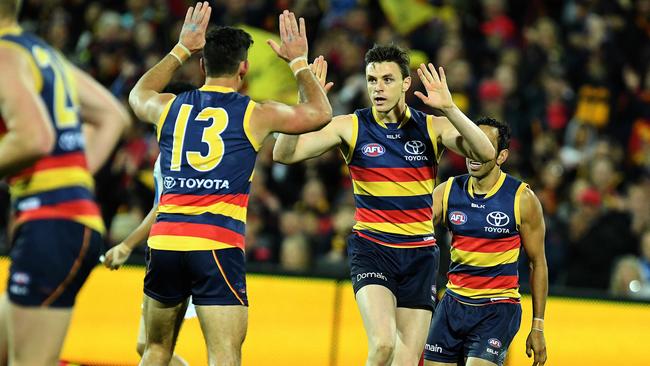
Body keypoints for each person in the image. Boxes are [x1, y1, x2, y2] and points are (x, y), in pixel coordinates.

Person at [127, 3, 332, 365]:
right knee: (224, 355)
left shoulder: (169, 106)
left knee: (156, 350)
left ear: (202, 66)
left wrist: (180, 49)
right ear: (244, 68)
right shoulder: (256, 113)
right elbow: (320, 114)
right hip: (215, 245)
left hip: (165, 241)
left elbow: (137, 95)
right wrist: (298, 62)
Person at [273, 45, 495, 366]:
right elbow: (284, 154)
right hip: (373, 247)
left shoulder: (431, 127)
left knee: (405, 360)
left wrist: (450, 109)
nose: (378, 87)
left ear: (406, 84)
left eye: (388, 79)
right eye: (372, 79)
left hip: (420, 255)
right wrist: (304, 105)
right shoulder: (350, 126)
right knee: (382, 345)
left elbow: (486, 153)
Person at [0, 0, 131, 364]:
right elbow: (111, 116)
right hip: (64, 220)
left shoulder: (3, 57)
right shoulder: (39, 53)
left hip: (51, 226)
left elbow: (33, 138)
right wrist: (71, 180)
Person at [423, 117, 548, 366]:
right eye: (471, 142)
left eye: (484, 145)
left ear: (501, 156)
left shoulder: (522, 199)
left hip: (497, 308)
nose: (475, 152)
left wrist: (538, 326)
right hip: (453, 304)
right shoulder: (447, 192)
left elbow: (538, 263)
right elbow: (411, 229)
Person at [103, 82, 196, 366]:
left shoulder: (175, 154)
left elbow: (163, 207)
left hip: (181, 249)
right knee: (149, 346)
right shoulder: (171, 151)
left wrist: (126, 245)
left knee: (153, 347)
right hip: (177, 247)